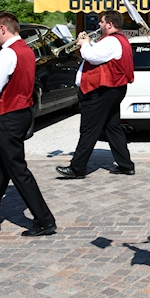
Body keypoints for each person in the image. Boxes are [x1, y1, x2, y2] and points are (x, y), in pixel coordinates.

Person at [0, 12, 56, 237]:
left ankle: (45, 220)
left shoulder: (8, 52)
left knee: (17, 169)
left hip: (10, 114)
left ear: (3, 29)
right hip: (21, 111)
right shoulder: (25, 49)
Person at [56, 10, 135, 179]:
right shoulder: (115, 40)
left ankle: (77, 168)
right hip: (112, 89)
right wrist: (89, 42)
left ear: (110, 24)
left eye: (101, 21)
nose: (99, 24)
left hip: (103, 90)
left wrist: (84, 43)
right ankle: (125, 165)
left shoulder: (112, 41)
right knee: (112, 128)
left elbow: (91, 56)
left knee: (88, 129)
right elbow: (98, 54)